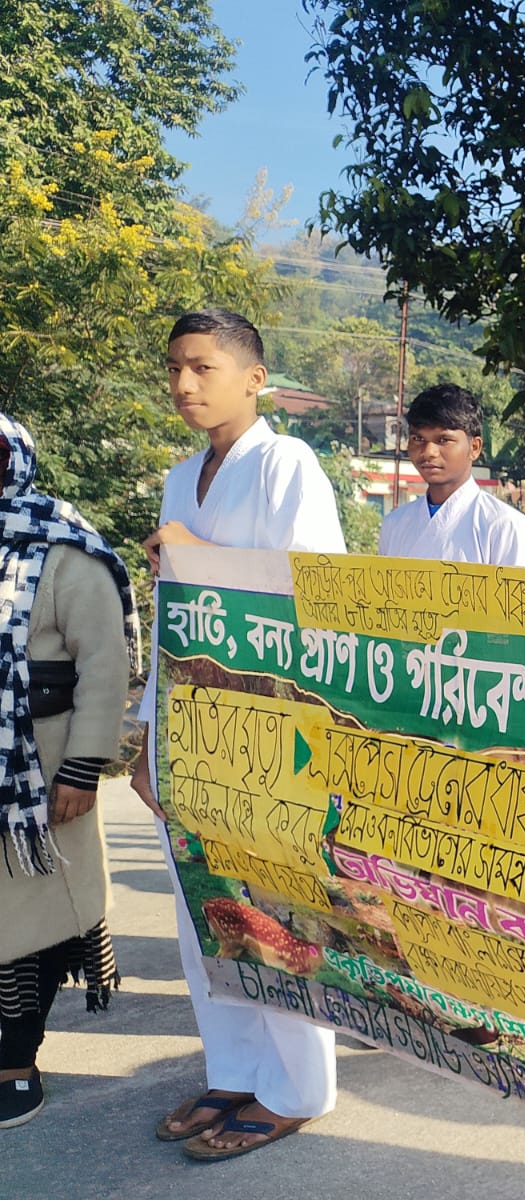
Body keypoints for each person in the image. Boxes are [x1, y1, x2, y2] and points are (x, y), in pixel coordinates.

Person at [130, 309, 344, 1161]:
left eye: (202, 366)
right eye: (174, 369)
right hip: (192, 722)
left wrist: (198, 555)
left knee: (272, 909)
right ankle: (236, 1067)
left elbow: (318, 595)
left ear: (254, 377)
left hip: (268, 724)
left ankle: (296, 1087)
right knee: (201, 908)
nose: (184, 383)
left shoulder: (289, 463)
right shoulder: (183, 477)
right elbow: (170, 620)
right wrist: (147, 733)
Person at [0, 414, 138, 1129]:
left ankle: (16, 1063)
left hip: (42, 771)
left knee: (33, 919)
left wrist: (84, 769)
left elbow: (104, 665)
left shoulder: (62, 546)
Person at [377, 383, 525, 566]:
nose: (429, 451)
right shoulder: (394, 524)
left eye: (443, 440)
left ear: (474, 447)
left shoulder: (504, 525)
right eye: (418, 439)